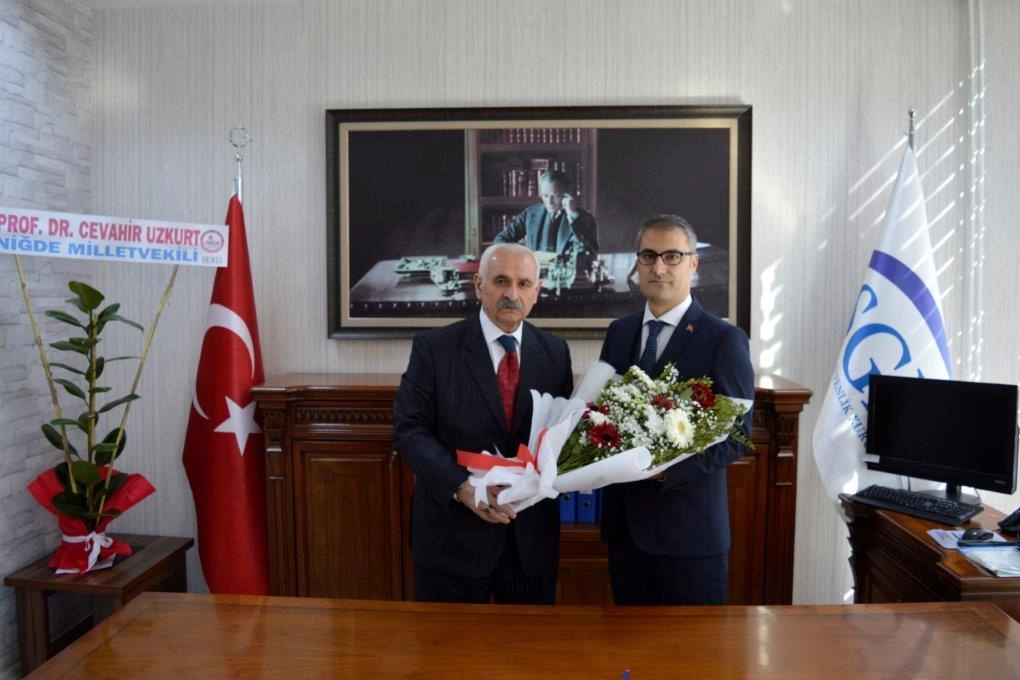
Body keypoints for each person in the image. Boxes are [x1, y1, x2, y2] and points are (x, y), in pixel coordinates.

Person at [393, 243, 574, 604]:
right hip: (452, 538)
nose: (512, 294)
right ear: (479, 285)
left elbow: (560, 434)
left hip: (529, 543)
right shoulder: (434, 348)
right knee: (448, 642)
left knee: (527, 642)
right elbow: (409, 431)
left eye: (524, 284)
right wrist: (463, 487)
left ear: (537, 291)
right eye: (501, 281)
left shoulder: (555, 352)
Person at [598, 214, 755, 605]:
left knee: (692, 647)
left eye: (672, 256)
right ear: (637, 263)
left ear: (693, 263)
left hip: (690, 538)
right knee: (627, 644)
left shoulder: (724, 339)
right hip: (625, 534)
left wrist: (666, 471)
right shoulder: (619, 332)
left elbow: (737, 435)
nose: (659, 267)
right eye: (648, 256)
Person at [492, 170, 599, 256]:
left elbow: (591, 252)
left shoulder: (584, 219)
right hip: (534, 274)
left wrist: (573, 215)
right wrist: (522, 257)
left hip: (565, 275)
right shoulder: (530, 214)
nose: (549, 202)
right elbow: (500, 239)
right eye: (545, 196)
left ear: (566, 194)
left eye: (555, 196)